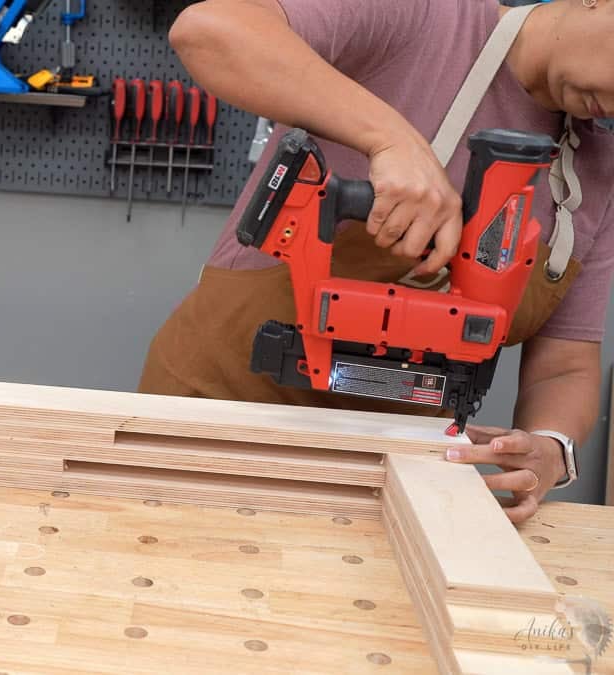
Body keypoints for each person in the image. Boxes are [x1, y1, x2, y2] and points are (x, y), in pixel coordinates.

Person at [143, 0, 614, 522]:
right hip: (215, 422)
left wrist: (551, 448)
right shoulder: (425, 15)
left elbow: (566, 366)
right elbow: (209, 31)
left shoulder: (598, 171)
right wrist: (390, 140)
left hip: (394, 485)